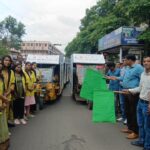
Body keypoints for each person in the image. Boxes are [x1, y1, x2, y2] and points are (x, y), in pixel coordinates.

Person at [124, 57, 150, 150]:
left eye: (148, 61)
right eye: (144, 61)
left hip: (147, 104)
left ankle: (147, 146)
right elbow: (139, 88)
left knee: (148, 127)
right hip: (140, 102)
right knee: (140, 124)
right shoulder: (143, 74)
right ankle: (141, 141)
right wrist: (130, 90)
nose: (146, 63)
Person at [116, 54, 143, 139]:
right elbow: (123, 78)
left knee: (133, 112)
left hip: (133, 93)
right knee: (127, 111)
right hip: (125, 92)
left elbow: (142, 81)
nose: (124, 61)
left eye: (125, 60)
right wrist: (114, 78)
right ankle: (130, 128)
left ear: (130, 60)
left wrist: (133, 90)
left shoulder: (139, 68)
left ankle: (135, 132)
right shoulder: (127, 68)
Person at [2, 55, 15, 127]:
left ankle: (5, 128)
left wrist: (7, 94)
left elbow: (12, 84)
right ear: (2, 60)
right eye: (6, 60)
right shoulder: (0, 70)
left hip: (7, 96)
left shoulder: (11, 72)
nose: (7, 62)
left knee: (6, 112)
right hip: (0, 95)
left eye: (9, 60)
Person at [0, 61, 10, 150]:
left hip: (1, 104)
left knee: (2, 124)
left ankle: (3, 143)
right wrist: (4, 99)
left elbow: (2, 91)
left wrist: (4, 101)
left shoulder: (1, 77)